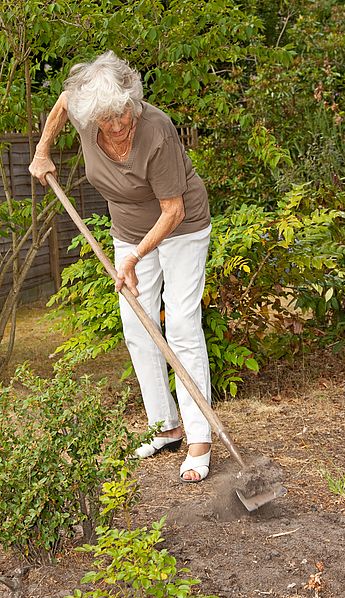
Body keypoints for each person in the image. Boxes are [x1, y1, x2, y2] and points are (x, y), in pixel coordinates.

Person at [29, 50, 212, 482]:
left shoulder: (157, 130)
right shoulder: (86, 112)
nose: (116, 125)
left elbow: (173, 211)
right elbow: (61, 103)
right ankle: (164, 426)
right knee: (137, 324)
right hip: (127, 230)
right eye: (107, 119)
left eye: (123, 116)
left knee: (182, 325)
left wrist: (134, 256)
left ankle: (200, 437)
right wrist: (41, 151)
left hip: (180, 229)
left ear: (133, 100)